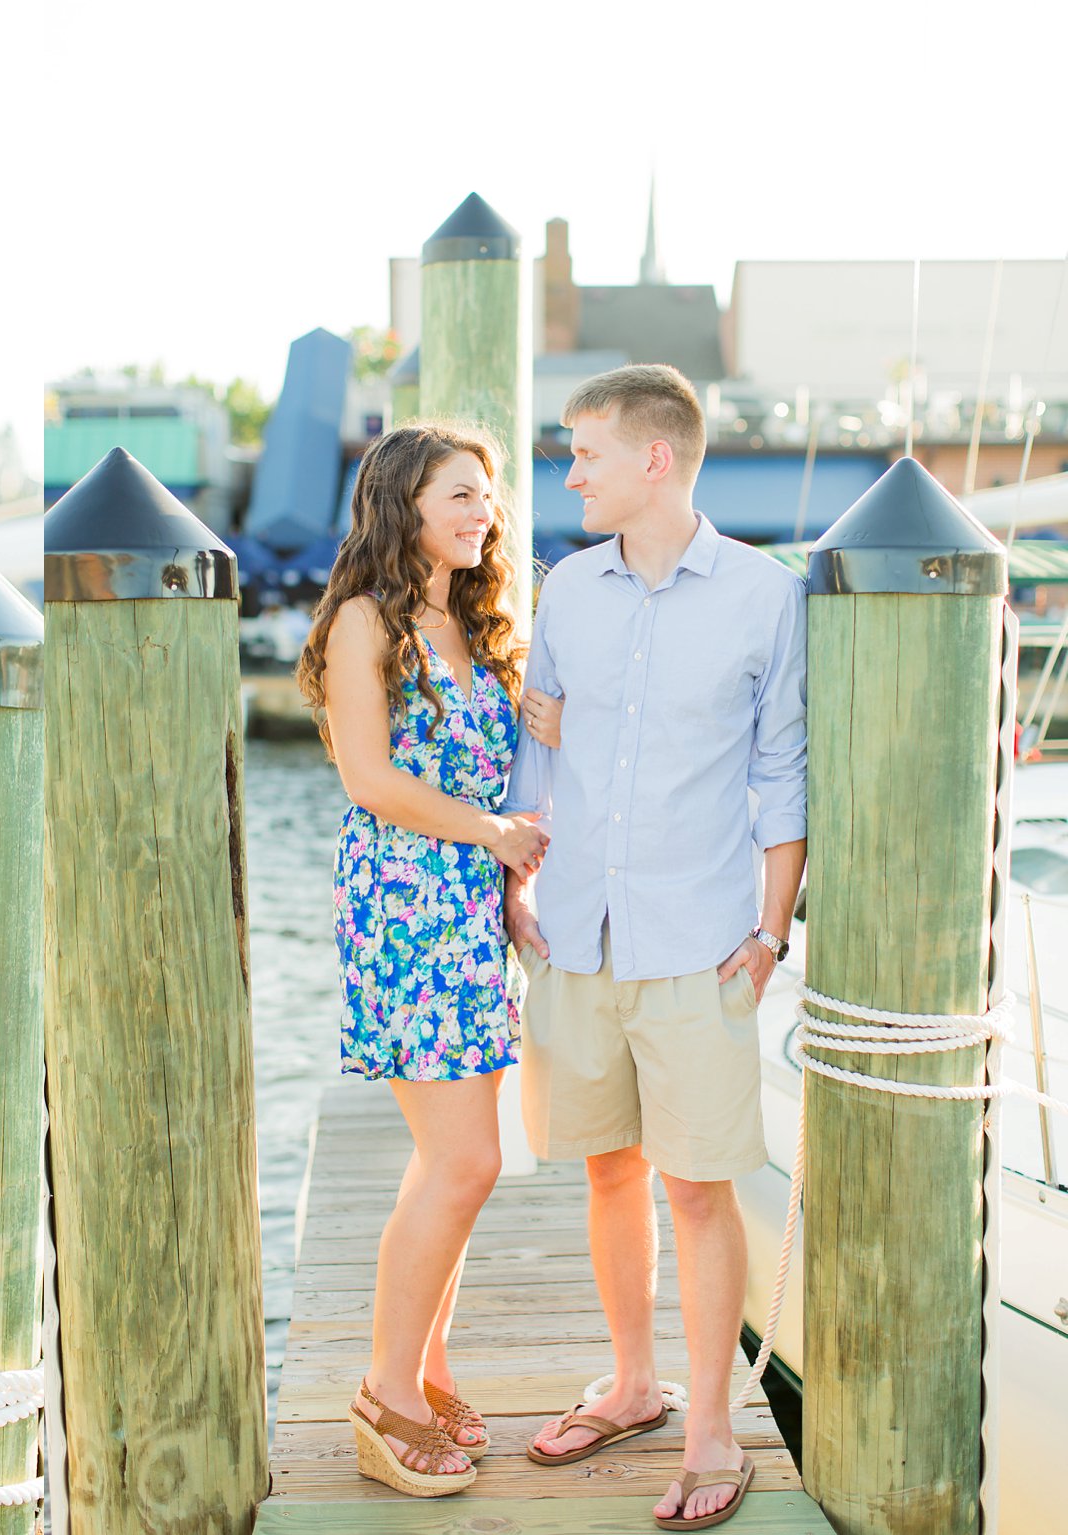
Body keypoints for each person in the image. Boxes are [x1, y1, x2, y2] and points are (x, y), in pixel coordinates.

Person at [504, 364, 807, 1531]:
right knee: (606, 1166)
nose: (566, 472)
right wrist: (521, 880)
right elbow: (541, 744)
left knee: (695, 1185)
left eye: (582, 451)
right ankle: (630, 1383)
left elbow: (779, 770)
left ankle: (711, 1430)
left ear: (653, 458)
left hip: (697, 939)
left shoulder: (760, 596)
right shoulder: (567, 589)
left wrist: (770, 927)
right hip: (574, 930)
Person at [294, 421, 548, 1499]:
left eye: (485, 495)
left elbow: (497, 772)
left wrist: (508, 873)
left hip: (467, 904)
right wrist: (491, 837)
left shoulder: (473, 621)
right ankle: (385, 1390)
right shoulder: (363, 620)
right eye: (457, 492)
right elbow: (367, 777)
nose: (479, 510)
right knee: (463, 1161)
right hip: (403, 898)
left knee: (451, 1156)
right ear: (400, 501)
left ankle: (426, 1362)